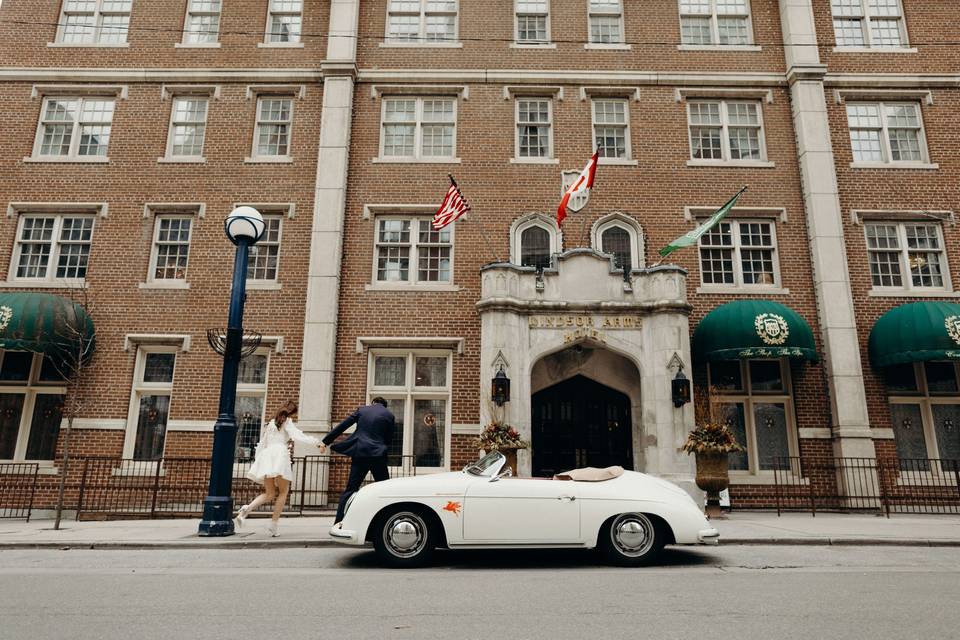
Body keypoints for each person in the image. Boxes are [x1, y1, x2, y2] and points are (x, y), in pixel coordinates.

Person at [234, 400, 322, 537]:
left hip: (267, 456)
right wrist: (317, 443)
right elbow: (298, 436)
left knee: (269, 494)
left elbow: (263, 443)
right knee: (283, 492)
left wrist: (259, 462)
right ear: (291, 412)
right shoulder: (287, 422)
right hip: (279, 456)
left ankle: (246, 509)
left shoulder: (270, 423)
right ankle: (273, 525)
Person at [324, 397, 395, 524]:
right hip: (378, 456)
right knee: (386, 489)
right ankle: (387, 521)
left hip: (360, 453)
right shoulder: (389, 415)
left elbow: (343, 426)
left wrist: (326, 441)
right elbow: (389, 439)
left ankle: (338, 522)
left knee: (350, 489)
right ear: (384, 406)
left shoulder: (362, 410)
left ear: (373, 402)